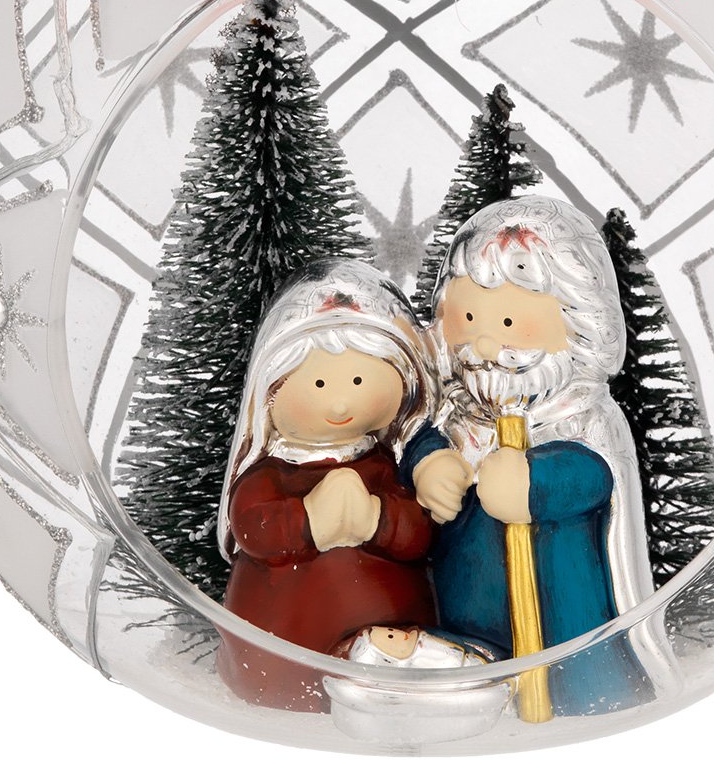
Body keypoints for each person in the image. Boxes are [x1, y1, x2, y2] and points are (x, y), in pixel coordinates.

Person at [402, 196, 654, 716]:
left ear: (578, 322)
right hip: (468, 618)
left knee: (579, 682)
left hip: (561, 623)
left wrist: (535, 484)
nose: (486, 343)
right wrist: (430, 464)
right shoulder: (458, 409)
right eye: (467, 317)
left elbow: (594, 476)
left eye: (510, 321)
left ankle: (585, 694)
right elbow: (420, 440)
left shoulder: (581, 414)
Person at [216, 259, 437, 711]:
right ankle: (282, 686)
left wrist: (377, 519)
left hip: (391, 640)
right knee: (284, 679)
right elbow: (254, 529)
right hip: (284, 642)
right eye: (318, 382)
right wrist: (311, 519)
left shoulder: (383, 466)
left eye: (358, 380)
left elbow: (419, 532)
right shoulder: (272, 473)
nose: (339, 403)